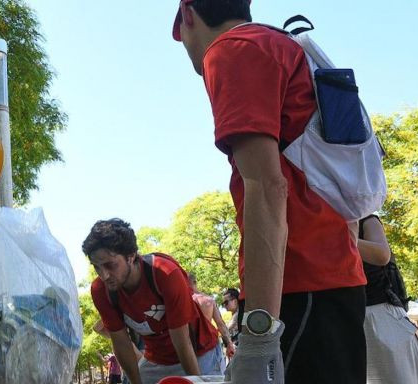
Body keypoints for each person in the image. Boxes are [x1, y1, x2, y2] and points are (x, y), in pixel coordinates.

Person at [173, 1, 368, 383]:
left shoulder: (232, 49)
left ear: (188, 14)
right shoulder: (277, 43)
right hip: (331, 280)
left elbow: (266, 186)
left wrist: (259, 337)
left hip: (299, 286)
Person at [85, 219, 219, 384]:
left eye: (110, 265)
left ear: (131, 256)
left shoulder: (165, 274)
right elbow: (121, 343)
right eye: (97, 267)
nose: (104, 275)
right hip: (157, 359)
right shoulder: (101, 290)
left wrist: (194, 381)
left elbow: (182, 341)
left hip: (198, 351)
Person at [358, 214, 418, 384]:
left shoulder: (366, 220)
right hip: (349, 317)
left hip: (379, 315)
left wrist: (337, 236)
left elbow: (381, 254)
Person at [188, 273, 235, 371]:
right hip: (208, 344)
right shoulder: (207, 300)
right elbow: (220, 324)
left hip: (188, 344)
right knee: (212, 377)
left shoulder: (181, 300)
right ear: (195, 282)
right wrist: (229, 343)